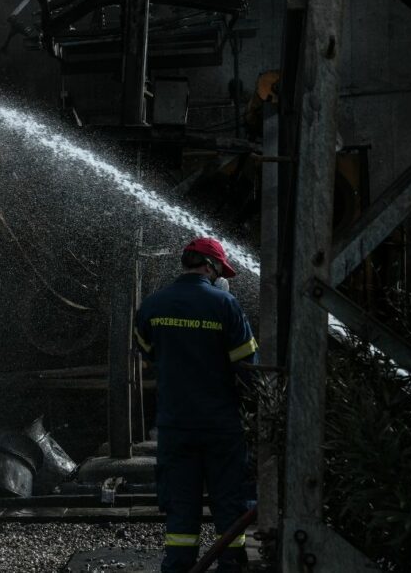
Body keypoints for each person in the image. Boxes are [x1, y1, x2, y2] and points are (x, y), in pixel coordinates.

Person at [134, 237, 258, 573]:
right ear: (212, 267)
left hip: (175, 425)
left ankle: (179, 566)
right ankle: (231, 565)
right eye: (222, 270)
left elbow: (149, 353)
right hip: (222, 426)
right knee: (229, 502)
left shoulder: (153, 306)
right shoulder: (225, 306)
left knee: (180, 503)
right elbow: (248, 367)